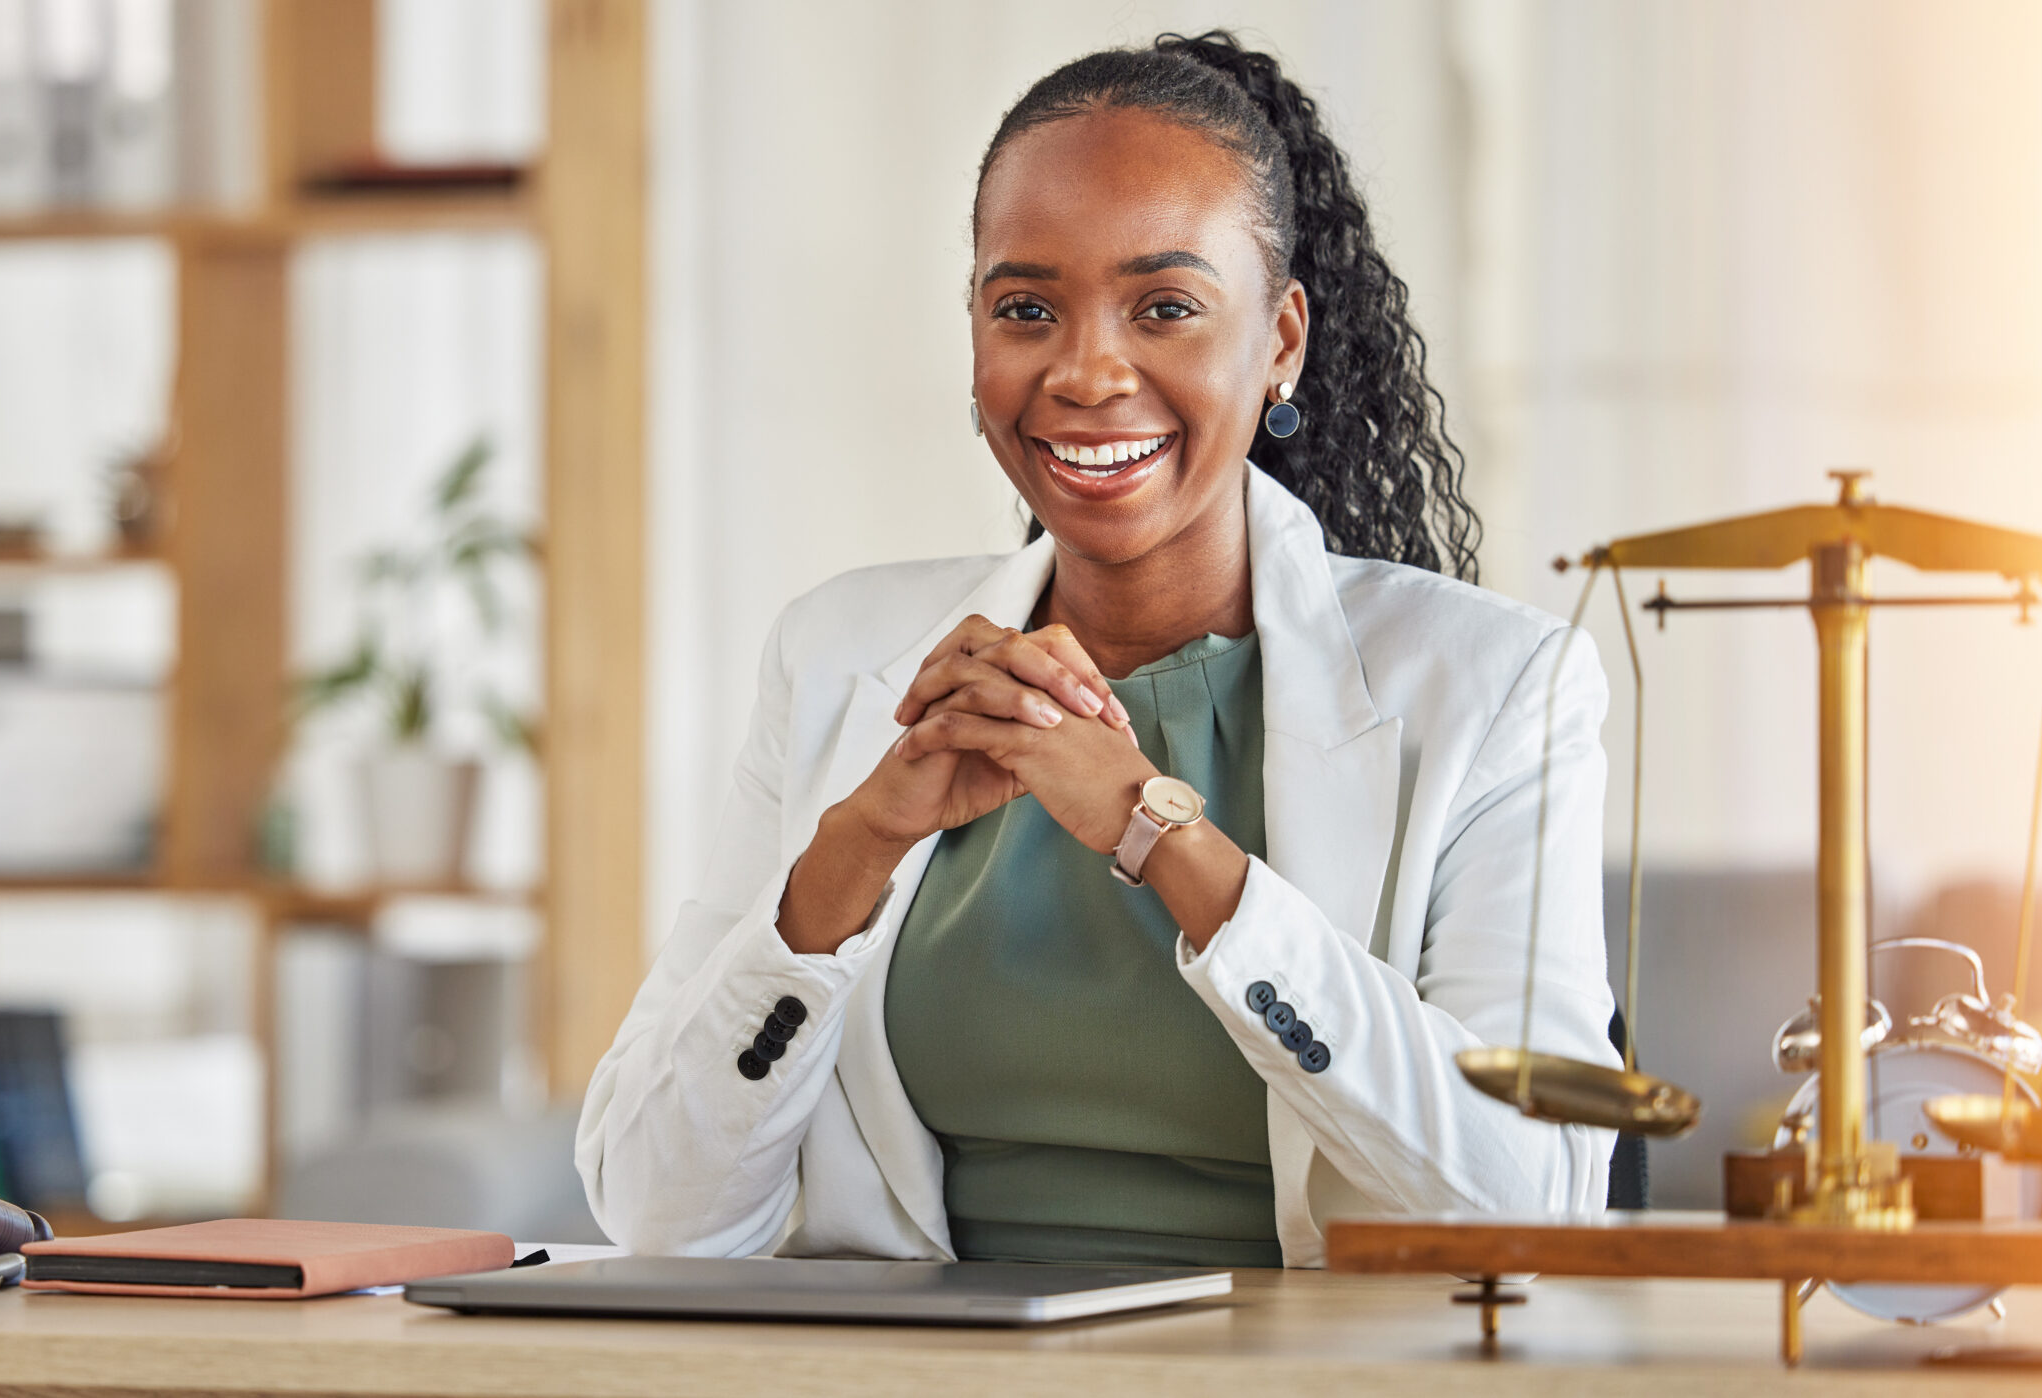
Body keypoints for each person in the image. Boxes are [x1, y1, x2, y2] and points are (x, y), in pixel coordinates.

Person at [577, 31, 1617, 1268]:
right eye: (1027, 309)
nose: (1083, 371)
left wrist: (1162, 834)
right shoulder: (839, 655)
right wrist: (852, 851)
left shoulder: (1498, 687)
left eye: (1165, 307)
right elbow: (656, 1216)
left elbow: (1536, 1203)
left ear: (1280, 339)